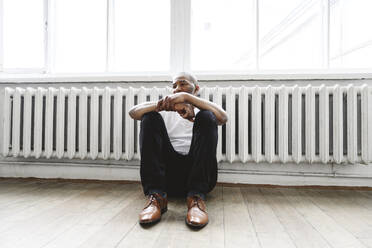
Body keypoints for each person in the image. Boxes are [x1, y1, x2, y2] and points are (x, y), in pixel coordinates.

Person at [128, 72, 228, 228]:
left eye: (183, 84)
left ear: (196, 89)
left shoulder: (203, 111)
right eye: (174, 86)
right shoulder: (166, 109)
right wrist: (165, 105)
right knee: (149, 117)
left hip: (199, 177)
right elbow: (133, 112)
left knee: (208, 116)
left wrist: (187, 99)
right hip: (167, 178)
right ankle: (156, 196)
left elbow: (223, 117)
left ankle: (196, 199)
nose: (177, 89)